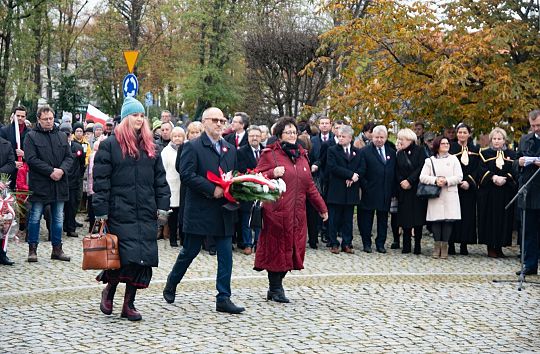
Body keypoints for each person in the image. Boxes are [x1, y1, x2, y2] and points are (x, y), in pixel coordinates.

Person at [93, 97, 170, 321]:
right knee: (122, 257)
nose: (139, 118)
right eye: (134, 115)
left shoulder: (151, 146)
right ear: (126, 118)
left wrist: (163, 207)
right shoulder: (110, 144)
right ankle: (109, 290)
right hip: (119, 210)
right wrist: (101, 210)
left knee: (141, 260)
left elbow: (160, 181)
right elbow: (101, 181)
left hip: (145, 211)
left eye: (141, 115)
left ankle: (129, 304)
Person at [163, 107, 245, 314]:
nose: (219, 124)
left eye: (222, 120)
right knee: (189, 251)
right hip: (200, 208)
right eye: (215, 120)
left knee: (226, 254)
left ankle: (223, 297)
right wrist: (212, 189)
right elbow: (187, 175)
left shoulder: (229, 148)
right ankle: (172, 282)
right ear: (205, 121)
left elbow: (232, 175)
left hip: (223, 210)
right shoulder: (193, 146)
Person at [254, 117, 328, 303]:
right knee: (277, 251)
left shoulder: (302, 156)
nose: (292, 135)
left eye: (294, 132)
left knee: (293, 251)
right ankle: (276, 288)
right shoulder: (270, 154)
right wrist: (271, 173)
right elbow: (256, 177)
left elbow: (309, 185)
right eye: (288, 132)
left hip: (297, 214)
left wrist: (321, 207)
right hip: (276, 212)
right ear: (279, 135)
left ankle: (275, 287)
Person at [24, 105, 73, 262]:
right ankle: (32, 250)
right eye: (45, 119)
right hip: (40, 184)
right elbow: (31, 159)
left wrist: (61, 170)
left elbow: (69, 157)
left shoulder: (61, 136)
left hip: (59, 184)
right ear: (38, 119)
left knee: (58, 218)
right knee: (35, 217)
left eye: (51, 118)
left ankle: (57, 249)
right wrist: (50, 171)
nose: (49, 121)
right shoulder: (31, 136)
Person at [420, 136, 462, 259]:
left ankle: (445, 247)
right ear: (437, 145)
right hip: (436, 194)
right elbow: (422, 177)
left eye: (447, 143)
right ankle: (437, 246)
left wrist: (447, 180)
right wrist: (435, 180)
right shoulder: (430, 161)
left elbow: (459, 176)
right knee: (436, 220)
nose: (446, 145)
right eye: (443, 143)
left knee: (448, 221)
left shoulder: (454, 159)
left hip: (450, 193)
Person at [477, 127, 517, 258]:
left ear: (504, 140)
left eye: (499, 139)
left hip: (505, 192)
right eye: (494, 139)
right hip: (490, 192)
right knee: (490, 218)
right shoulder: (485, 154)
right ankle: (490, 246)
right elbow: (481, 170)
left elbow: (515, 171)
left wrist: (506, 178)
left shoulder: (512, 154)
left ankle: (500, 246)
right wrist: (493, 177)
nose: (496, 141)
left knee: (504, 218)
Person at [357, 125, 396, 253]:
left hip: (385, 191)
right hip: (370, 191)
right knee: (367, 219)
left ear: (386, 138)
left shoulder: (391, 152)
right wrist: (366, 187)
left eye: (381, 137)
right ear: (372, 137)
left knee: (383, 219)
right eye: (376, 137)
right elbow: (361, 172)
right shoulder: (365, 152)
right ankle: (366, 243)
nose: (379, 140)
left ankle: (381, 243)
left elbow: (393, 171)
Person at [326, 125, 361, 254]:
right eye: (339, 136)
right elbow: (332, 167)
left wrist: (354, 177)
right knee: (334, 219)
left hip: (351, 190)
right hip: (336, 190)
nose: (340, 138)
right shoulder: (332, 150)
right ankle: (333, 243)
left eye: (343, 136)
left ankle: (347, 243)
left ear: (350, 138)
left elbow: (361, 167)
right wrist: (349, 174)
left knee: (348, 219)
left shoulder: (357, 151)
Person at [514, 110, 540, 275]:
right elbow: (515, 163)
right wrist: (520, 162)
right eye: (533, 126)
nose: (536, 129)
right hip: (529, 192)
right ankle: (530, 265)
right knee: (529, 231)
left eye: (538, 125)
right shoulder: (524, 140)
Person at [449, 123, 480, 255]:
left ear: (469, 134)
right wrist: (457, 180)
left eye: (464, 132)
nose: (462, 135)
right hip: (454, 187)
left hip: (469, 188)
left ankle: (464, 244)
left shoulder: (475, 149)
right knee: (452, 216)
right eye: (459, 132)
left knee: (467, 216)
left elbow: (477, 168)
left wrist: (468, 181)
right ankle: (451, 244)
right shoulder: (451, 148)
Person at [395, 128, 427, 254]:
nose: (399, 142)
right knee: (405, 219)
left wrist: (410, 180)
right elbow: (396, 170)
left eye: (401, 139)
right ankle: (406, 245)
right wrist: (402, 181)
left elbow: (421, 168)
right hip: (404, 190)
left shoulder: (420, 151)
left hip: (416, 189)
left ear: (409, 139)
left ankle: (417, 245)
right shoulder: (399, 153)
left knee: (417, 219)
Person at [237, 126, 263, 255]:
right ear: (248, 137)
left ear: (261, 137)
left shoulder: (265, 151)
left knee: (259, 217)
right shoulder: (241, 151)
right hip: (247, 189)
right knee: (246, 218)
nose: (254, 138)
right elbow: (240, 169)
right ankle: (247, 244)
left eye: (257, 136)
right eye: (252, 136)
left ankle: (258, 243)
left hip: (263, 190)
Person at [58, 123, 85, 238]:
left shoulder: (77, 147)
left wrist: (78, 176)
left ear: (71, 135)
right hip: (60, 181)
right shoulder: (57, 147)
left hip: (74, 181)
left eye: (67, 134)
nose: (66, 136)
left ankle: (70, 228)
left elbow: (82, 163)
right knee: (59, 207)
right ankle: (59, 228)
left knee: (72, 205)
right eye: (63, 134)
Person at [161, 127, 185, 247]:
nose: (177, 138)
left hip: (183, 185)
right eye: (175, 136)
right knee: (173, 214)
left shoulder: (187, 148)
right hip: (171, 184)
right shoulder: (166, 151)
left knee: (183, 214)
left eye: (179, 136)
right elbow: (163, 168)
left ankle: (183, 237)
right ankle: (172, 239)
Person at [0, 136, 16, 265]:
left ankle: (2, 253)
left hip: (2, 186)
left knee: (5, 220)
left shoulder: (6, 144)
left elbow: (11, 163)